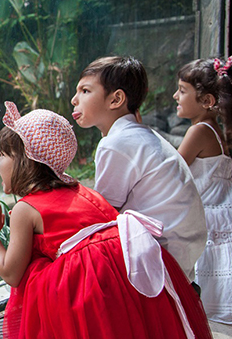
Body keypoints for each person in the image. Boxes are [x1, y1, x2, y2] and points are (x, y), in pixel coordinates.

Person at [0, 101, 220, 339]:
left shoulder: (26, 209)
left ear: (26, 161)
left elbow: (12, 273)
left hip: (89, 299)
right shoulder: (84, 192)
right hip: (125, 289)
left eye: (4, 155)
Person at [70, 56, 206, 282]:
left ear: (116, 99)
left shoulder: (116, 143)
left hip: (161, 253)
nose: (74, 100)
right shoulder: (141, 134)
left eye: (85, 91)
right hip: (183, 248)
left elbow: (104, 211)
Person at [174, 56, 232, 324]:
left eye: (183, 91)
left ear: (207, 101)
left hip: (209, 218)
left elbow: (172, 170)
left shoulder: (199, 131)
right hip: (220, 215)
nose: (176, 95)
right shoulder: (215, 129)